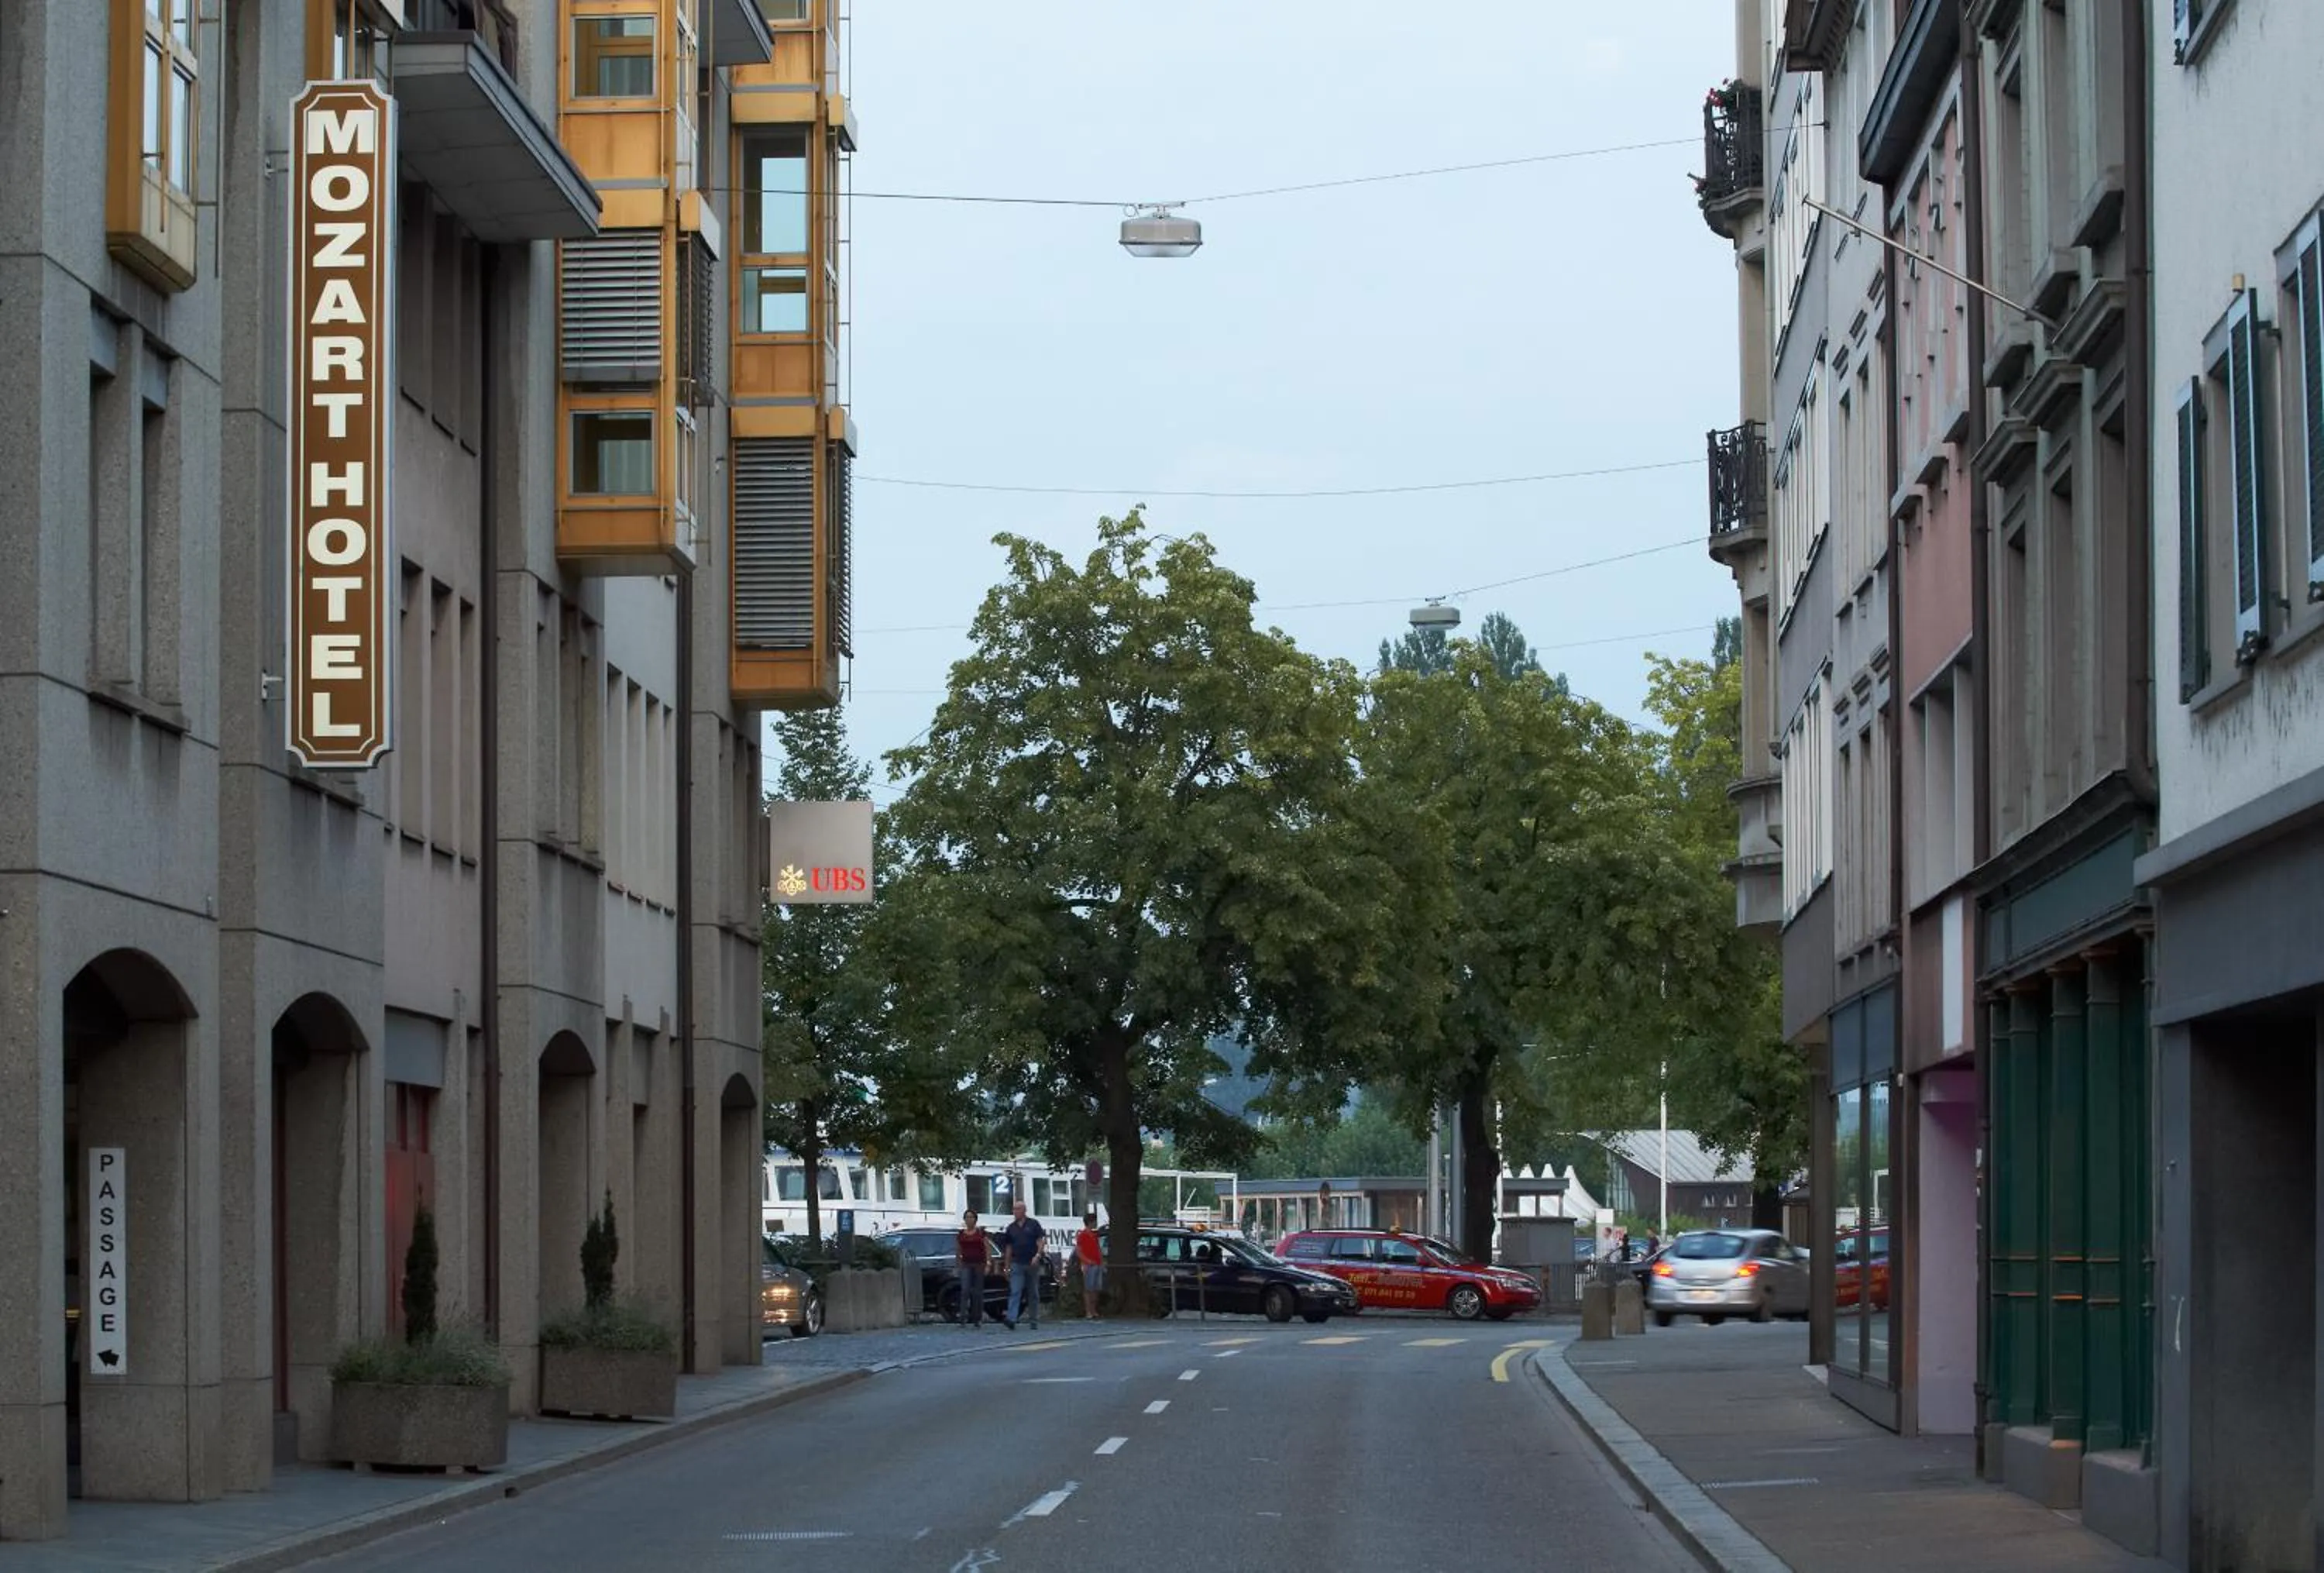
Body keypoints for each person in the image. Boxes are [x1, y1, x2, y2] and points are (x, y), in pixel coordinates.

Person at [1000, 1199, 1047, 1331]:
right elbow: (1008, 1248)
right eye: (1014, 1209)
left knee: (1033, 1293)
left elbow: (1041, 1241)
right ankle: (1011, 1319)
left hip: (1031, 1263)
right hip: (1017, 1263)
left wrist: (1038, 1255)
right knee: (1015, 1291)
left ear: (1024, 1210)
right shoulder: (1011, 1228)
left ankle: (1033, 1319)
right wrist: (1007, 1266)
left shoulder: (1033, 1224)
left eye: (1018, 1209)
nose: (1015, 1212)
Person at [955, 1210, 992, 1329]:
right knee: (965, 1290)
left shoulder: (981, 1233)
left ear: (975, 1219)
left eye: (971, 1217)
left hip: (979, 1264)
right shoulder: (961, 1234)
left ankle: (978, 1318)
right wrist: (959, 1263)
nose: (969, 1219)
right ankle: (963, 1317)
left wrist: (988, 1263)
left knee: (977, 1292)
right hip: (966, 1264)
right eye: (967, 1217)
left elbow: (987, 1248)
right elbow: (958, 1250)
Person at [1075, 1210, 1105, 1318]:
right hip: (1089, 1265)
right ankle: (1088, 1311)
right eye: (1094, 1221)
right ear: (1090, 1222)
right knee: (1088, 1289)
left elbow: (1098, 1249)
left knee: (1096, 1288)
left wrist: (1101, 1262)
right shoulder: (1082, 1235)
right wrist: (1087, 1261)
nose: (1096, 1224)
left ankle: (1094, 1310)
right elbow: (1079, 1251)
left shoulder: (1094, 1235)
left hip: (1097, 1264)